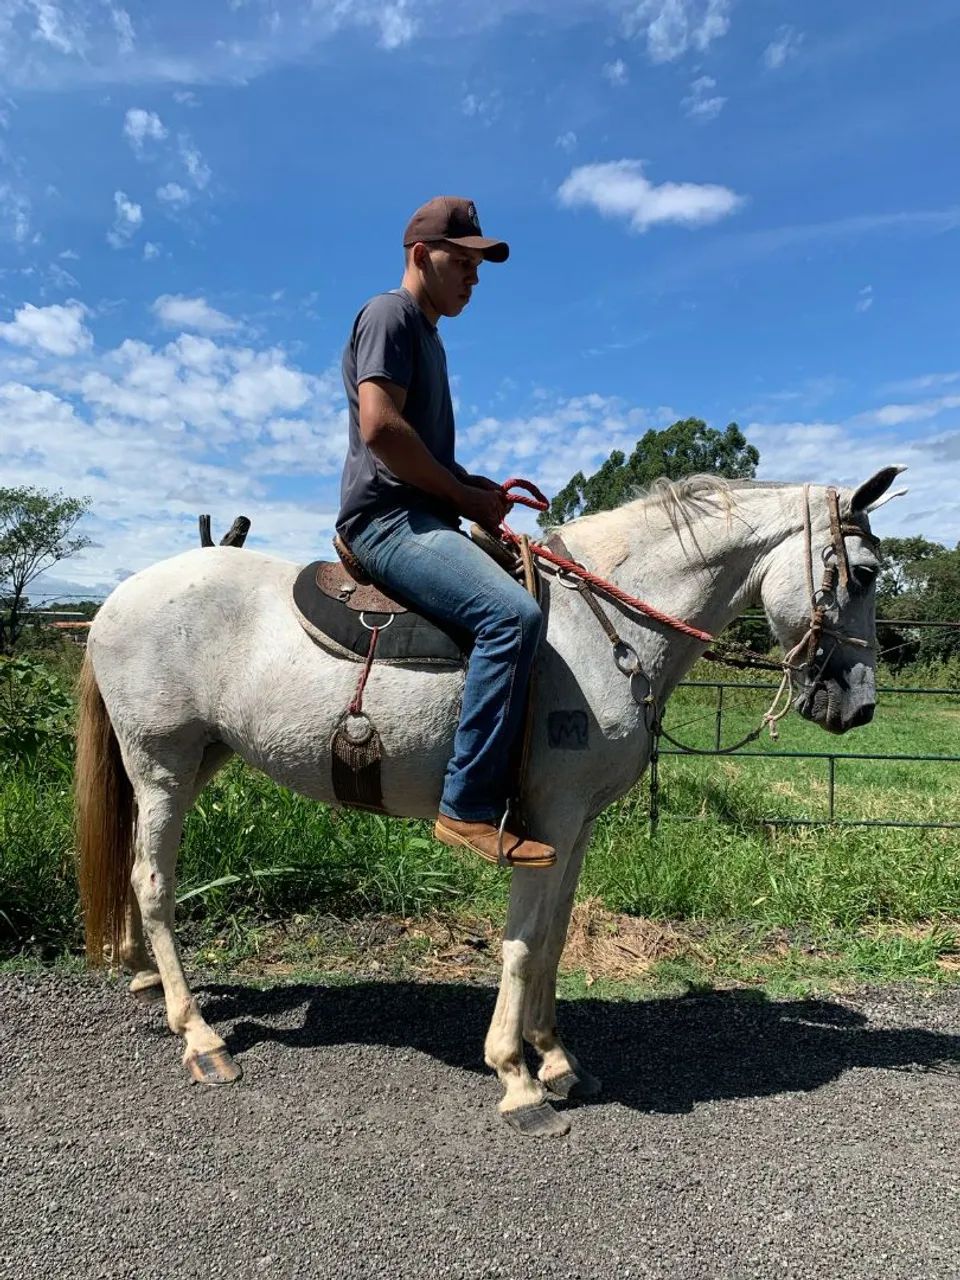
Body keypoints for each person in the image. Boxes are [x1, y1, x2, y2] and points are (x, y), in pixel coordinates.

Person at [336, 196, 556, 869]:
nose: (474, 276)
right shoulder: (390, 315)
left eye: (478, 264)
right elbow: (380, 428)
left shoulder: (427, 336)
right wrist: (460, 495)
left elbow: (420, 448)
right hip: (387, 520)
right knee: (510, 617)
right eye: (462, 261)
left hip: (420, 512)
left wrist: (473, 488)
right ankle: (467, 809)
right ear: (418, 255)